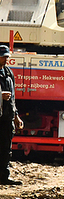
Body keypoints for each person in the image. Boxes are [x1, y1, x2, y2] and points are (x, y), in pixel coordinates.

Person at [0, 45, 23, 185]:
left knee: (5, 148)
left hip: (6, 117)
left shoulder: (8, 73)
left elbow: (13, 98)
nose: (6, 59)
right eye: (3, 56)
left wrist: (16, 117)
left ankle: (3, 177)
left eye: (7, 56)